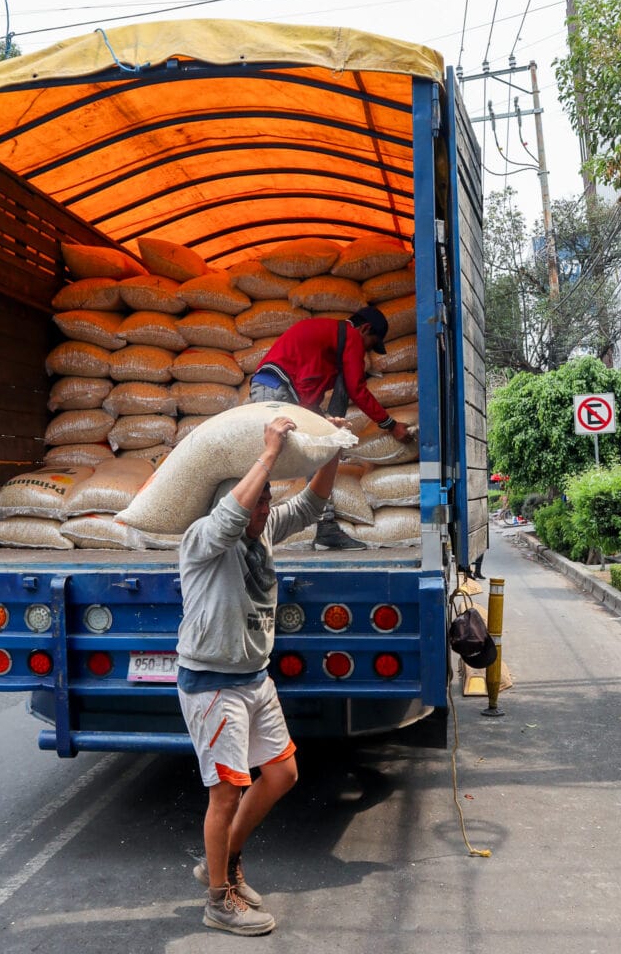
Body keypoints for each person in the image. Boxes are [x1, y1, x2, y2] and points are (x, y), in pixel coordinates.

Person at [177, 414, 344, 936]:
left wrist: (331, 450)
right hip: (213, 683)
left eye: (269, 499)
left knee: (282, 774)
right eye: (260, 499)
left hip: (253, 677)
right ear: (237, 500)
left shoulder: (263, 527)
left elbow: (312, 505)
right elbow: (230, 517)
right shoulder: (204, 537)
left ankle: (224, 860)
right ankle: (218, 899)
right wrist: (268, 452)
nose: (267, 507)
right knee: (226, 791)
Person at [249, 305, 412, 550]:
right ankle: (248, 529)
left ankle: (324, 527)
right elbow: (356, 389)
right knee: (268, 459)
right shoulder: (351, 338)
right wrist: (390, 425)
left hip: (279, 387)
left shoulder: (331, 336)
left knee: (317, 450)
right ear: (365, 329)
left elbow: (315, 383)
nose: (365, 352)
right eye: (370, 344)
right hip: (277, 387)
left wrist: (327, 425)